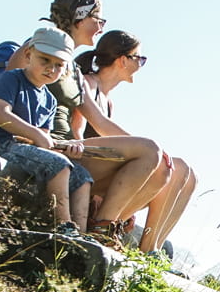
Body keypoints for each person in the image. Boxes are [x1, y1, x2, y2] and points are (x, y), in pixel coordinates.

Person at [0, 0, 165, 243]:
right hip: (29, 146)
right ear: (80, 16)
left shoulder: (69, 67)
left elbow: (99, 122)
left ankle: (87, 233)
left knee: (158, 159)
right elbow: (0, 92)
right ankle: (97, 230)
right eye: (98, 19)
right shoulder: (38, 49)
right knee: (150, 151)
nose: (101, 27)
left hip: (58, 146)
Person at [74, 31, 196, 260]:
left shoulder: (108, 100)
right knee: (157, 158)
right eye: (139, 58)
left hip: (105, 167)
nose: (141, 64)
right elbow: (92, 128)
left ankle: (150, 250)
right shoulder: (89, 83)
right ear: (123, 59)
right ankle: (103, 227)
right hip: (85, 164)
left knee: (184, 171)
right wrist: (146, 148)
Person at [0, 31, 91, 227]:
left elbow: (42, 140)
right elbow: (0, 114)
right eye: (45, 60)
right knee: (59, 165)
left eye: (59, 65)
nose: (51, 69)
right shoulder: (11, 79)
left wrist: (64, 146)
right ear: (28, 55)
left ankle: (81, 232)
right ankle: (63, 225)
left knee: (82, 177)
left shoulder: (50, 100)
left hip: (23, 150)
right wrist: (36, 135)